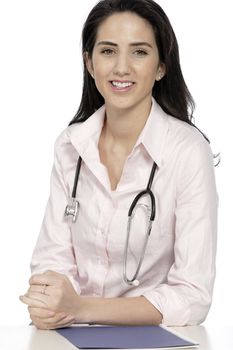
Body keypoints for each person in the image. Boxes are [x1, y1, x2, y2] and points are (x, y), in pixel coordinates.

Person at [20, 0, 218, 329]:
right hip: (67, 337)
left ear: (161, 66)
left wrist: (82, 308)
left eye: (139, 52)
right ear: (89, 62)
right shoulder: (70, 146)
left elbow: (192, 296)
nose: (121, 68)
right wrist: (48, 299)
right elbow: (51, 259)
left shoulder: (188, 152)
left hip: (152, 342)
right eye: (108, 51)